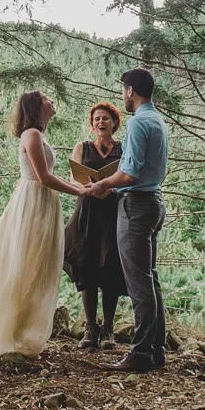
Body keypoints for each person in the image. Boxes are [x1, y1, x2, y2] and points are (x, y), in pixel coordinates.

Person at [0, 91, 83, 360]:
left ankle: (24, 330)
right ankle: (9, 332)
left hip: (43, 203)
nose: (51, 100)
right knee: (25, 263)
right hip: (33, 203)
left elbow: (51, 175)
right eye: (46, 98)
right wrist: (80, 192)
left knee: (38, 265)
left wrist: (84, 185)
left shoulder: (40, 136)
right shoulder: (31, 134)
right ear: (35, 106)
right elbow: (43, 177)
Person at [84, 68, 170, 372]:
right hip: (154, 203)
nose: (123, 94)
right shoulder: (157, 120)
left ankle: (141, 352)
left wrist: (102, 184)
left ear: (130, 90)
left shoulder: (137, 123)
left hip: (135, 205)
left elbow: (129, 173)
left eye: (124, 89)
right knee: (150, 277)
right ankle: (156, 349)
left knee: (139, 282)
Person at [63, 101, 127, 349]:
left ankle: (108, 329)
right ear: (92, 125)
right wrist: (90, 187)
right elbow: (73, 178)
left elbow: (127, 177)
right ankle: (90, 329)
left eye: (105, 119)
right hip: (87, 211)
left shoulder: (123, 149)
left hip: (112, 212)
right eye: (97, 119)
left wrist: (109, 186)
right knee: (87, 266)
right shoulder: (82, 147)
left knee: (110, 268)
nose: (101, 122)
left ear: (114, 123)